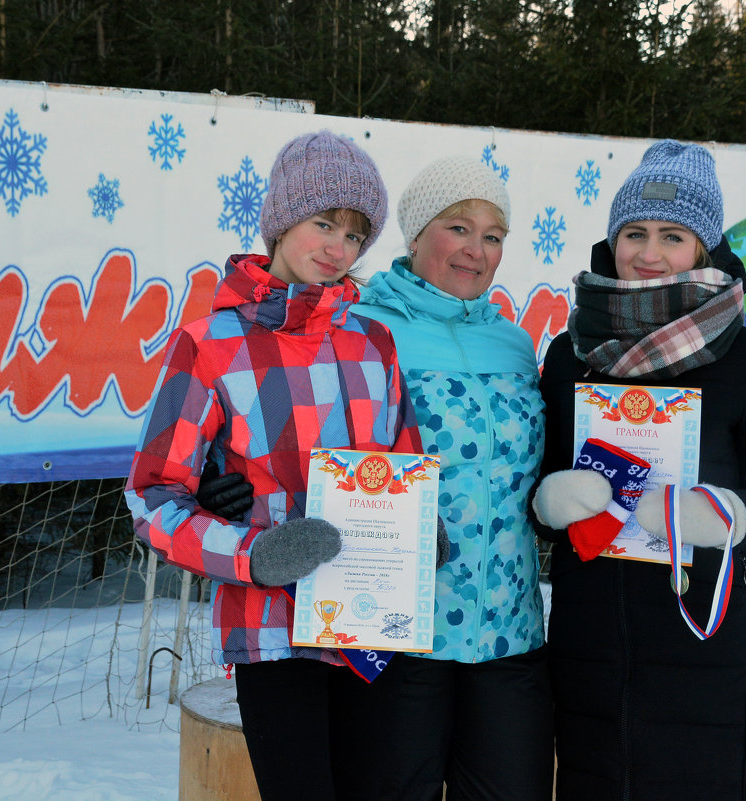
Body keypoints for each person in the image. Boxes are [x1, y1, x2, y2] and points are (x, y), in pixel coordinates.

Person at [201, 155, 554, 801]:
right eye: (456, 227)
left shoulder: (514, 343)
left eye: (493, 234)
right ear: (414, 233)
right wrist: (217, 479)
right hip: (393, 633)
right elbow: (289, 429)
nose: (475, 250)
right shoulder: (359, 328)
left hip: (508, 632)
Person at [124, 130, 422, 801]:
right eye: (322, 223)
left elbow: (403, 461)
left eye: (353, 235)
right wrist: (253, 553)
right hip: (271, 632)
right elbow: (151, 498)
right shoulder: (209, 344)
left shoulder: (374, 340)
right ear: (282, 221)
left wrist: (415, 529)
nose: (336, 248)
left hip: (369, 624)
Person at [530, 140, 746, 801]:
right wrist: (548, 503)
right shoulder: (572, 354)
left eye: (671, 235)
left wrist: (730, 515)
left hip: (708, 651)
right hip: (592, 650)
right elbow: (538, 492)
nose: (647, 252)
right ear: (612, 240)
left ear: (702, 250)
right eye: (633, 232)